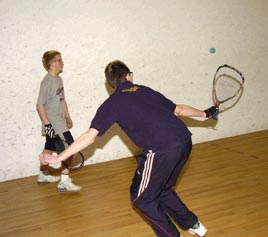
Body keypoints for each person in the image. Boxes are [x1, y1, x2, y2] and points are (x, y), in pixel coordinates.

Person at [40, 60, 218, 236]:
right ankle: (193, 224)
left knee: (141, 199)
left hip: (161, 150)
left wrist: (58, 157)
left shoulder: (111, 103)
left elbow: (89, 136)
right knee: (160, 189)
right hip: (185, 140)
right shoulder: (146, 90)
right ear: (129, 76)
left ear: (111, 83)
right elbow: (179, 109)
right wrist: (206, 113)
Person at [36, 50, 81, 192]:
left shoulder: (59, 79)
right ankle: (64, 181)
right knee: (70, 149)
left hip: (59, 121)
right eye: (59, 60)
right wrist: (48, 124)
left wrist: (67, 116)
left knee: (49, 147)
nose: (62, 62)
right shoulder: (47, 82)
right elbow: (39, 105)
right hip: (53, 124)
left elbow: (62, 100)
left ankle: (42, 174)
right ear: (51, 64)